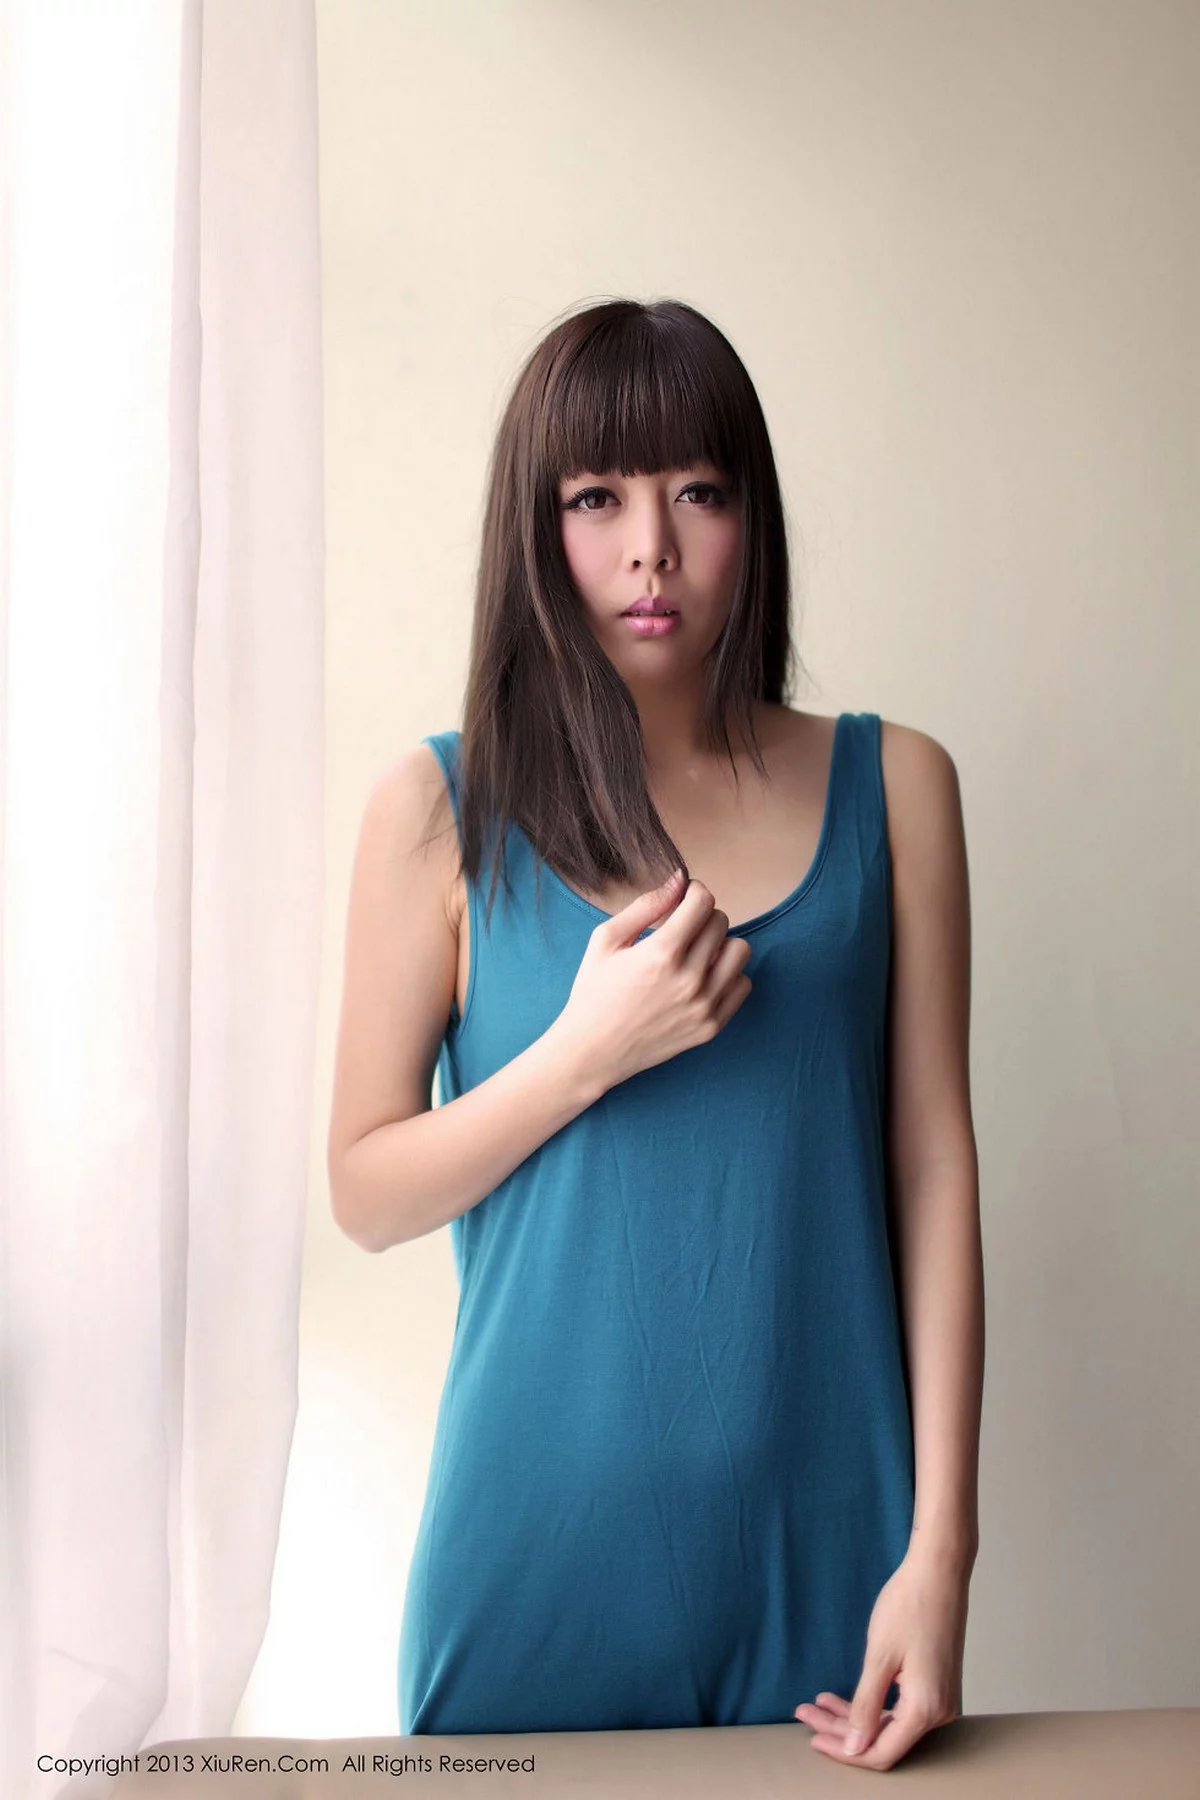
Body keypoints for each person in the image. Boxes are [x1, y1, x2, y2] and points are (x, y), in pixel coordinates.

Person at [326, 297, 984, 1769]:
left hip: (832, 1557)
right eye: (596, 498)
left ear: (753, 516)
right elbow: (365, 1190)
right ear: (535, 524)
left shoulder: (899, 788)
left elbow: (934, 1169)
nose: (650, 551)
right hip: (530, 1559)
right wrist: (585, 1053)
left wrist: (940, 1552)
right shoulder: (437, 809)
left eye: (697, 492)